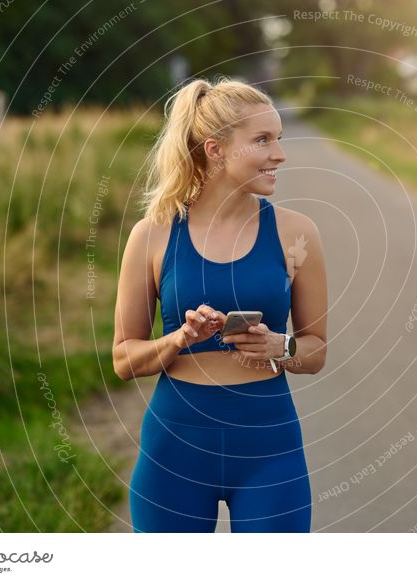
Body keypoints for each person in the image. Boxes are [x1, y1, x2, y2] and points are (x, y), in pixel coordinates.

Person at [112, 76, 328, 533]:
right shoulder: (152, 234)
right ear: (216, 150)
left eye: (279, 139)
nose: (280, 154)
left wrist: (280, 346)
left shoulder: (297, 233)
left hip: (269, 449)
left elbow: (316, 351)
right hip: (175, 450)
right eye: (263, 140)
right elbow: (123, 359)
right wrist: (179, 338)